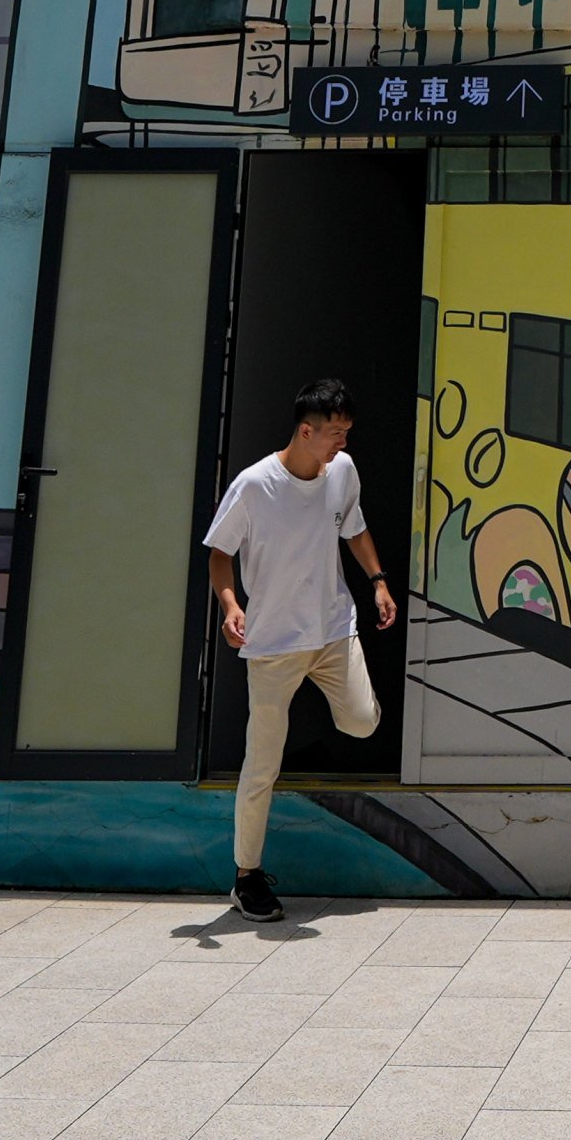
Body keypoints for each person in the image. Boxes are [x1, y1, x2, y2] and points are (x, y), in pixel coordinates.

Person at [204, 374, 398, 923]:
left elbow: (354, 529)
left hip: (333, 630)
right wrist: (230, 605)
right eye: (335, 433)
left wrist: (378, 580)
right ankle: (246, 877)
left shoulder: (342, 472)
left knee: (362, 722)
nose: (343, 442)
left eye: (347, 432)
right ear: (306, 430)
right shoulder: (254, 485)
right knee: (261, 764)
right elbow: (220, 552)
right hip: (273, 644)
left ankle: (311, 728)